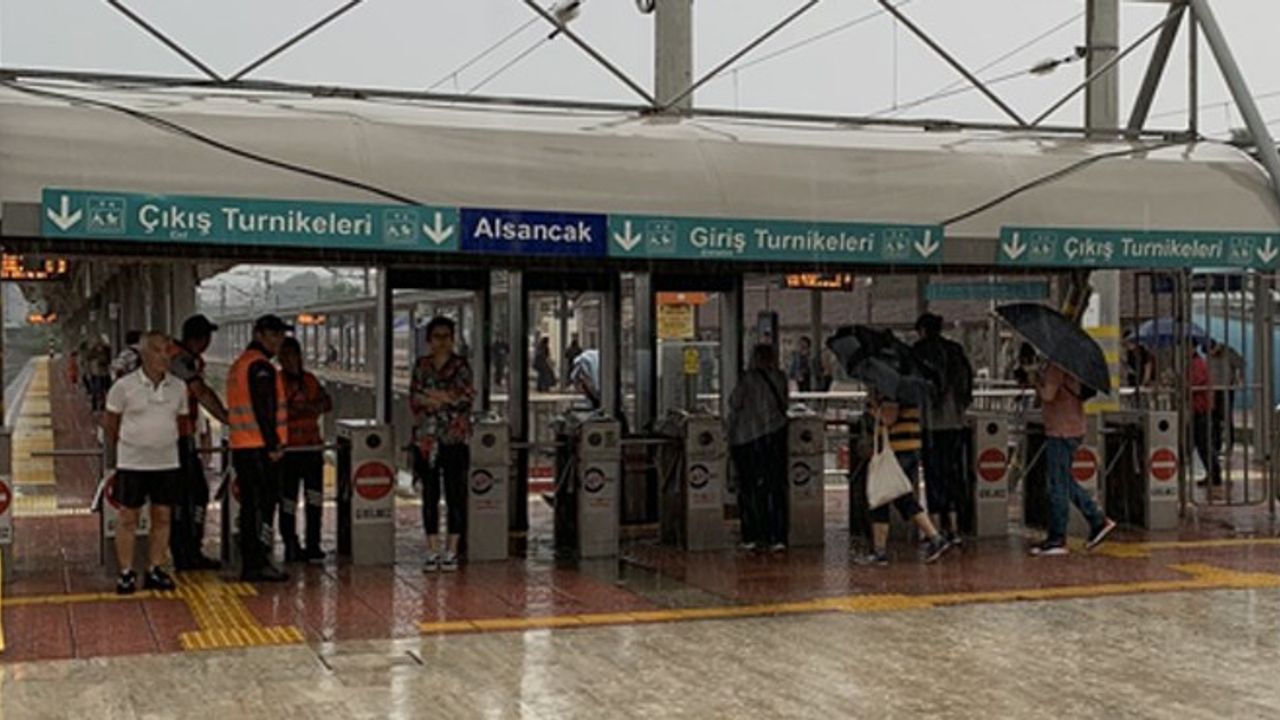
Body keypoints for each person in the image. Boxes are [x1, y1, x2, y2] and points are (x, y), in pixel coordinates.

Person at [103, 331, 184, 595]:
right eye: (158, 350)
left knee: (162, 516)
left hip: (167, 462)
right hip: (133, 463)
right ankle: (126, 572)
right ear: (144, 353)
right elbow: (111, 424)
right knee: (128, 517)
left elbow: (181, 422)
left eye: (167, 351)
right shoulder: (123, 387)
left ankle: (155, 568)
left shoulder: (178, 387)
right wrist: (126, 448)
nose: (164, 357)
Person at [1024, 360, 1117, 556]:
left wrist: (1036, 381)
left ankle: (1058, 538)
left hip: (1061, 431)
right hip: (1072, 427)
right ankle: (1097, 520)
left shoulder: (1056, 366)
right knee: (1064, 480)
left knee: (1057, 485)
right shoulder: (1072, 365)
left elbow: (1047, 395)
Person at [226, 314, 292, 583]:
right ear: (259, 335)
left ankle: (252, 561)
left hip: (244, 445)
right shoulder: (260, 367)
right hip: (259, 447)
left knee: (250, 505)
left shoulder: (240, 364)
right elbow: (264, 409)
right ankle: (258, 562)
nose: (279, 341)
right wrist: (273, 444)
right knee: (262, 505)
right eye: (274, 335)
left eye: (281, 335)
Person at [856, 393, 953, 566]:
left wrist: (873, 408)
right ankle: (934, 538)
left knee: (884, 498)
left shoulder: (893, 391)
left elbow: (888, 418)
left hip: (898, 451)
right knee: (900, 498)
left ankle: (881, 552)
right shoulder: (907, 389)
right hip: (905, 449)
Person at [410, 316, 475, 572]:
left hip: (454, 439)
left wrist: (433, 397)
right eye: (437, 337)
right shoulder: (421, 365)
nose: (442, 342)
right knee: (430, 494)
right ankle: (432, 549)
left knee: (454, 494)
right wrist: (446, 397)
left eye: (447, 336)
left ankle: (452, 550)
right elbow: (415, 399)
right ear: (429, 340)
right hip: (426, 440)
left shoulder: (461, 366)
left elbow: (465, 398)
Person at [168, 314, 230, 571]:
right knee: (192, 494)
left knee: (186, 495)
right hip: (175, 439)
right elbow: (201, 392)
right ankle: (187, 552)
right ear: (201, 339)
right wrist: (227, 417)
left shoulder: (178, 357)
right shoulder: (181, 361)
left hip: (177, 437)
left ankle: (186, 550)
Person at [912, 312, 975, 544]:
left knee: (934, 475)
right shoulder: (955, 351)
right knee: (954, 474)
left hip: (930, 424)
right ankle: (955, 528)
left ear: (922, 330)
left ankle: (936, 528)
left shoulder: (919, 352)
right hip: (955, 422)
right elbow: (968, 385)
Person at [727, 344, 790, 552]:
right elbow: (785, 403)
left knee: (749, 488)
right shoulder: (780, 378)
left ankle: (753, 535)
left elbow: (734, 402)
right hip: (775, 437)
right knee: (775, 487)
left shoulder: (747, 379)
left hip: (748, 439)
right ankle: (777, 536)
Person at [277, 337, 332, 564]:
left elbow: (327, 402)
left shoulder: (309, 380)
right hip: (288, 450)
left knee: (314, 499)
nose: (290, 360)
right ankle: (290, 544)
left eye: (293, 355)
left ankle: (313, 545)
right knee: (288, 501)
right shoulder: (276, 382)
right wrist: (306, 409)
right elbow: (278, 410)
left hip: (311, 448)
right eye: (285, 356)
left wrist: (304, 409)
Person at [1190, 346, 1223, 487]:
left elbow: (1196, 382)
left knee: (1204, 443)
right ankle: (1213, 474)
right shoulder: (1197, 362)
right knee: (1202, 443)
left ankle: (1215, 474)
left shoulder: (1197, 363)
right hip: (1200, 407)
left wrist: (1184, 384)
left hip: (1202, 408)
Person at [1207, 340, 1244, 453]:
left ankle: (1229, 444)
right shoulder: (1209, 356)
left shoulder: (1229, 352)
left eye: (1212, 351)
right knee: (1214, 417)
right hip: (1213, 389)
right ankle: (1216, 444)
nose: (1211, 354)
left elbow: (1241, 364)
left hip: (1226, 388)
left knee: (1227, 417)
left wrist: (1238, 379)